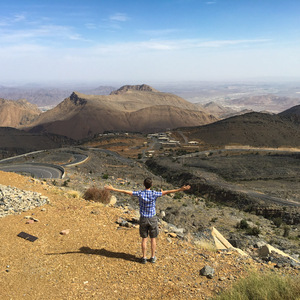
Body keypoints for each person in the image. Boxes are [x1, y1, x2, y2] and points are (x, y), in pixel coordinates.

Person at [105, 178, 191, 264]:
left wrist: (113, 189)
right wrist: (180, 189)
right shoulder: (154, 193)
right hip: (152, 219)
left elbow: (126, 192)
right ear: (151, 185)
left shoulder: (140, 193)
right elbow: (168, 192)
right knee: (153, 238)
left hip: (143, 218)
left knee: (144, 239)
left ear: (144, 184)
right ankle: (153, 257)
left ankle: (144, 257)